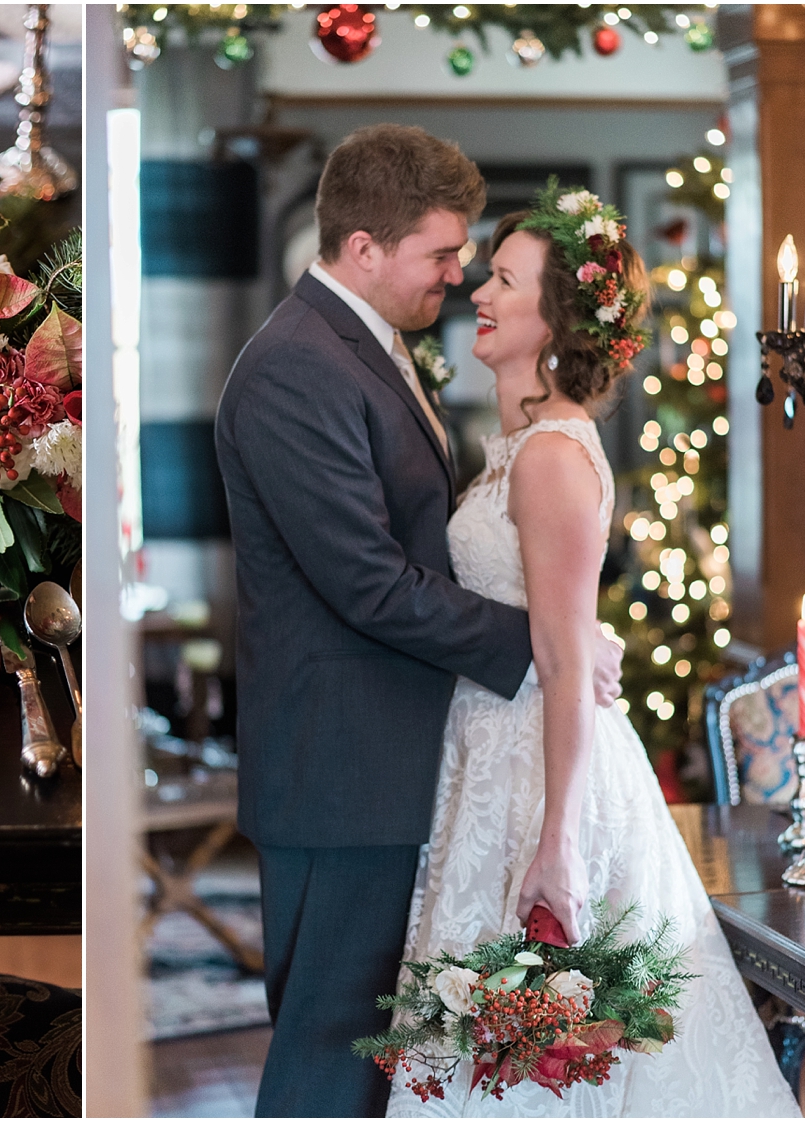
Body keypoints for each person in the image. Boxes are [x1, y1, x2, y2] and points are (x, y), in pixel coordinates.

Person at [214, 124, 624, 1117]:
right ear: (364, 249)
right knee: (327, 1061)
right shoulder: (296, 369)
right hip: (343, 776)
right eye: (443, 253)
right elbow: (366, 582)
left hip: (402, 768)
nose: (459, 272)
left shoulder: (366, 350)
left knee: (387, 1065)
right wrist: (541, 648)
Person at [384, 187, 800, 1117]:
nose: (477, 292)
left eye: (503, 278)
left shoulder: (551, 457)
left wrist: (558, 845)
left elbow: (568, 662)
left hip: (545, 769)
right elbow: (553, 621)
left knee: (556, 1056)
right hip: (492, 754)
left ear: (558, 318)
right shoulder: (517, 448)